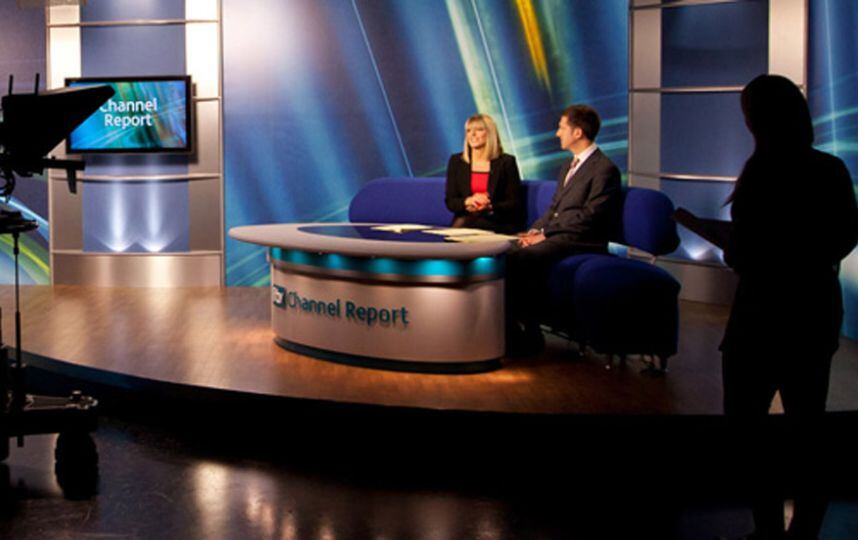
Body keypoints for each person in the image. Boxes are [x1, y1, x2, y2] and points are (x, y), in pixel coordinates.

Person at [721, 75, 858, 540]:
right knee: (807, 425)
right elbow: (844, 236)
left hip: (762, 314)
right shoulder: (829, 169)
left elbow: (751, 246)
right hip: (811, 311)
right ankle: (801, 530)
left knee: (750, 425)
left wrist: (746, 252)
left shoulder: (760, 171)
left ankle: (769, 529)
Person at [506, 104, 623, 353]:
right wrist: (535, 230)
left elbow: (591, 217)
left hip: (583, 239)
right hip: (561, 235)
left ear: (578, 132)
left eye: (561, 127)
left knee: (525, 257)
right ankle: (510, 328)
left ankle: (529, 332)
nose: (557, 133)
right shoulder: (568, 166)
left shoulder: (605, 169)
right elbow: (554, 209)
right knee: (509, 248)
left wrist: (546, 235)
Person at [445, 114, 524, 234]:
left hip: (498, 220)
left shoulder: (506, 162)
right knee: (465, 223)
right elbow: (451, 201)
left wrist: (489, 206)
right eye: (469, 130)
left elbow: (514, 202)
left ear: (490, 134)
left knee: (467, 225)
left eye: (479, 130)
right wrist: (468, 201)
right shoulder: (456, 161)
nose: (472, 134)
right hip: (467, 217)